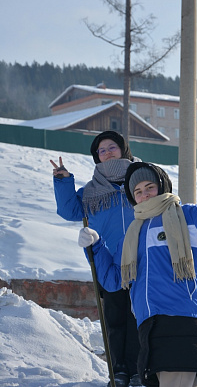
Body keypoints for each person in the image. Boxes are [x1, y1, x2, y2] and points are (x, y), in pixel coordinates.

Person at [77, 141, 197, 387]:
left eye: (149, 187)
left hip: (183, 320)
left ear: (162, 186)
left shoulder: (188, 217)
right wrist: (96, 247)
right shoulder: (133, 234)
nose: (144, 194)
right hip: (149, 326)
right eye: (138, 191)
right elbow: (113, 281)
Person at [50, 130, 141, 387]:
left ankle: (138, 370)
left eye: (112, 146)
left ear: (123, 149)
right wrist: (64, 181)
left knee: (138, 318)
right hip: (107, 260)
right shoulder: (91, 191)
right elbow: (69, 210)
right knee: (115, 320)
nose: (107, 152)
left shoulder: (141, 180)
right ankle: (119, 371)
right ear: (97, 157)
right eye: (102, 150)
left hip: (142, 260)